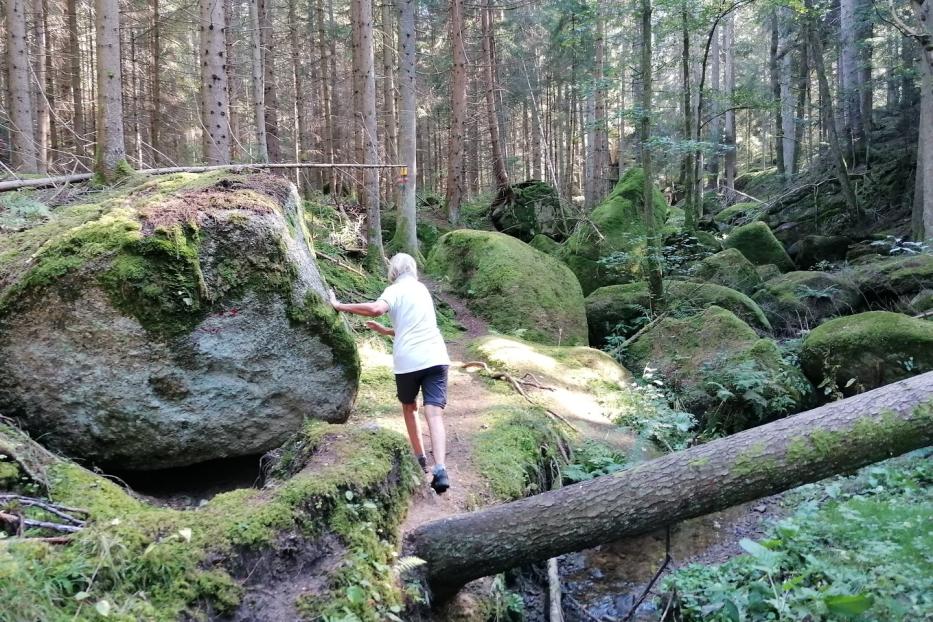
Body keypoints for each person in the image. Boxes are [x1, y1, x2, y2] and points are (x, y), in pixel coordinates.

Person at [329, 253, 451, 494]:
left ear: (393, 271)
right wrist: (385, 331)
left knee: (409, 408)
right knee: (434, 414)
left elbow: (376, 309)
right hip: (436, 357)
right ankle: (440, 469)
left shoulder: (394, 290)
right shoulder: (422, 290)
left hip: (408, 362)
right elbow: (413, 327)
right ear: (413, 269)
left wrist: (339, 306)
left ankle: (419, 459)